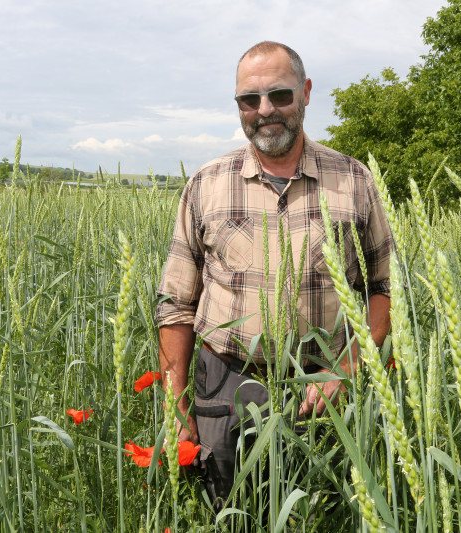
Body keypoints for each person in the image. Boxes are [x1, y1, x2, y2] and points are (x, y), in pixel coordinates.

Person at [155, 41, 393, 510]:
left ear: (305, 92)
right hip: (226, 388)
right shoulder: (206, 184)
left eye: (280, 95)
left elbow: (385, 287)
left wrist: (345, 369)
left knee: (323, 515)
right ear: (239, 105)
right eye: (250, 99)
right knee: (231, 514)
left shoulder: (354, 180)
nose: (265, 110)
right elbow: (175, 304)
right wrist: (175, 408)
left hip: (325, 392)